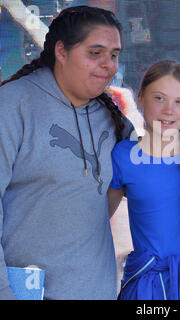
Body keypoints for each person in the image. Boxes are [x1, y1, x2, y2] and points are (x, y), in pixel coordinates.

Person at [0, 6, 134, 299]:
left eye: (114, 54)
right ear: (61, 52)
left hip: (98, 291)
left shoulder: (114, 120)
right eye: (95, 53)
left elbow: (152, 180)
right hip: (24, 292)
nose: (108, 65)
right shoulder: (13, 104)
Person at [108, 60, 180, 300]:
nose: (169, 110)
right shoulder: (123, 155)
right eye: (159, 98)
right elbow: (98, 220)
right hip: (145, 283)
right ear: (140, 98)